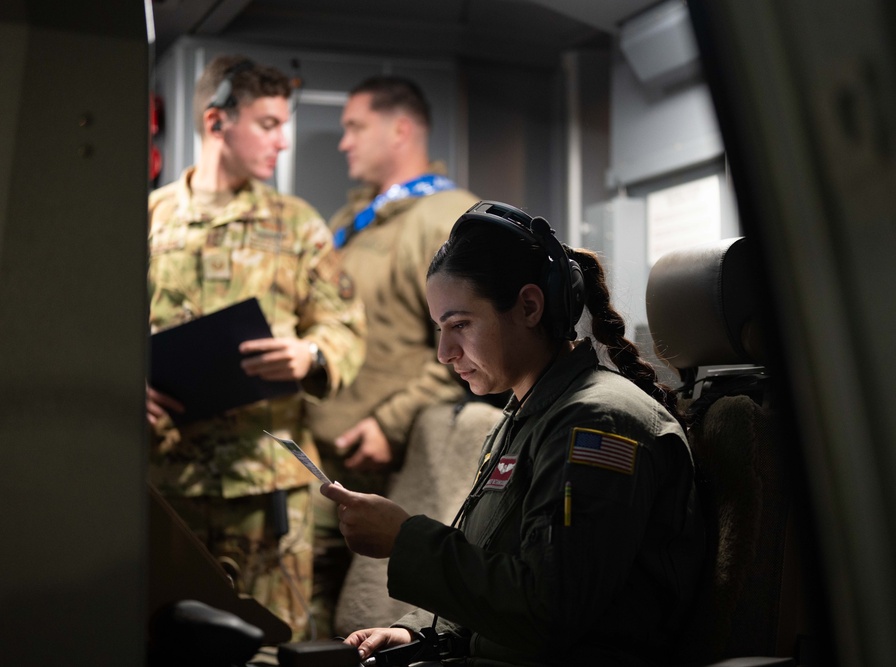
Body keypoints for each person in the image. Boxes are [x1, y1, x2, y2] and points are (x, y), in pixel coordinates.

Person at [321, 201, 706, 665]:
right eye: (440, 329)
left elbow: (548, 611)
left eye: (460, 325)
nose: (445, 352)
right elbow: (501, 576)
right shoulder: (526, 419)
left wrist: (404, 539)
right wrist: (422, 633)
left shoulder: (597, 423)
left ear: (528, 306)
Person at [146, 55, 366, 641]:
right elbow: (91, 333)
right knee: (167, 642)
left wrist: (311, 356)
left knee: (275, 643)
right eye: (268, 124)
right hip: (170, 483)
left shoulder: (296, 225)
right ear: (217, 122)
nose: (284, 141)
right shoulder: (147, 219)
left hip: (267, 489)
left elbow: (345, 326)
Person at [305, 75, 479, 635]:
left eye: (355, 126)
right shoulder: (350, 223)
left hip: (392, 470)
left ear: (400, 128)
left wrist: (390, 422)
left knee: (362, 628)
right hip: (322, 471)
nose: (344, 141)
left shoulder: (444, 217)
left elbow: (473, 343)